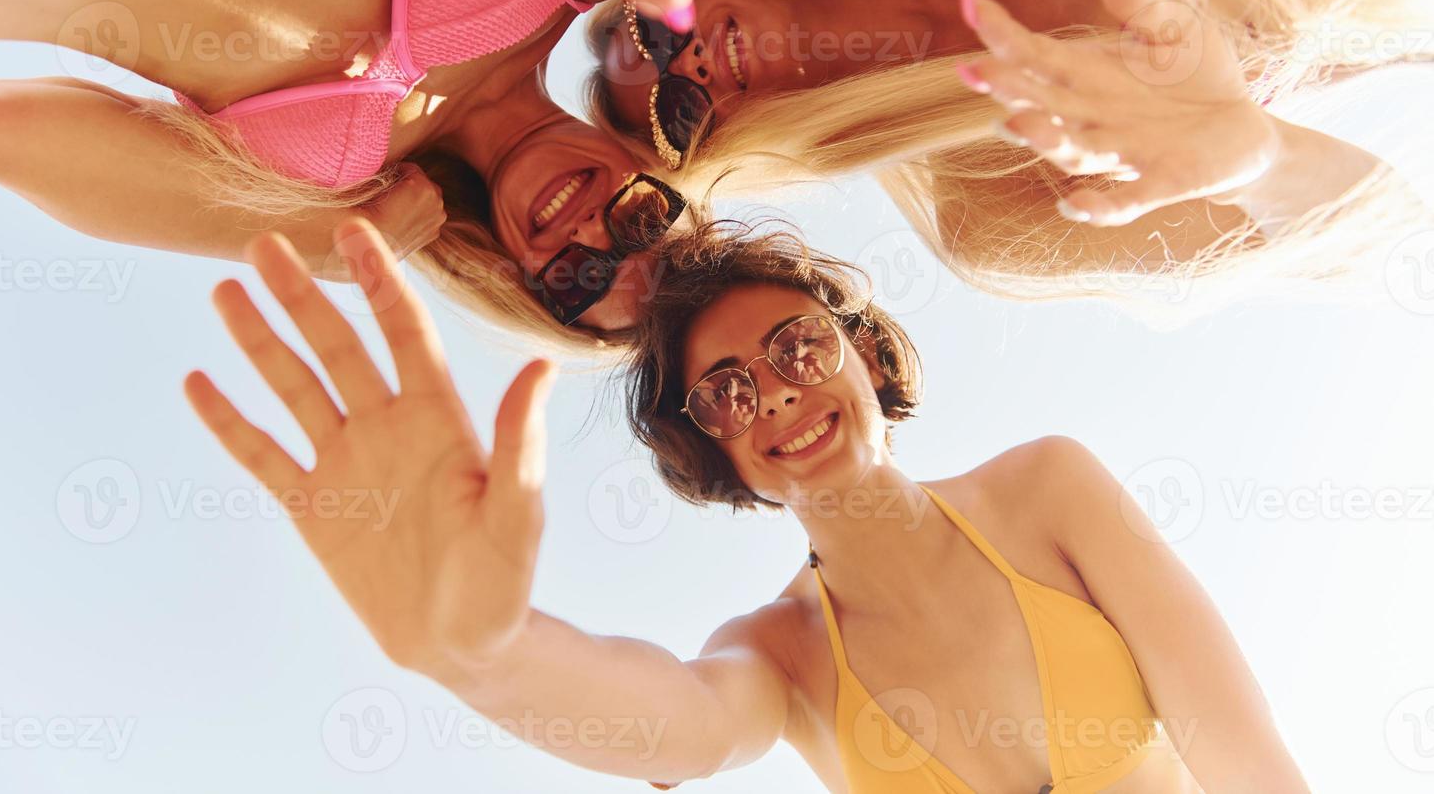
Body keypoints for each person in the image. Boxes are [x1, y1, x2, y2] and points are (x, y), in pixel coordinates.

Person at [185, 219, 1308, 792]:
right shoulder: (779, 656)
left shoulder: (1049, 485)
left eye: (796, 346)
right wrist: (477, 651)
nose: (775, 391)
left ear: (865, 352)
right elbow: (668, 716)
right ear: (715, 452)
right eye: (727, 392)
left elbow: (1245, 752)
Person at [0, 0, 811, 340]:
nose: (589, 238)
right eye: (639, 227)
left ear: (522, 281)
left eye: (579, 282)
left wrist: (319, 246)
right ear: (658, 177)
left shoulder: (323, 201)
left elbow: (4, 133)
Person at [588, 0, 1434, 316]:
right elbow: (1380, 227)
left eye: (655, 31)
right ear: (725, 154)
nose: (687, 64)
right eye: (677, 113)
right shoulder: (993, 203)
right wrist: (1262, 158)